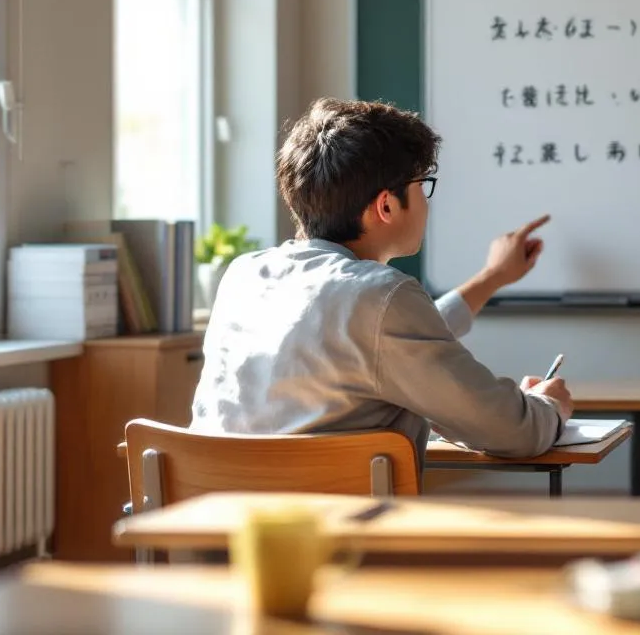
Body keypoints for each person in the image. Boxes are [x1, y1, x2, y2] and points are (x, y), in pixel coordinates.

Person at [190, 97, 572, 465]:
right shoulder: (380, 296)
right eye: (422, 185)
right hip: (339, 511)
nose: (427, 200)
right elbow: (512, 431)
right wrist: (548, 405)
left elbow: (377, 341)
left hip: (223, 506)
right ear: (386, 205)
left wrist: (492, 277)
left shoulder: (243, 275)